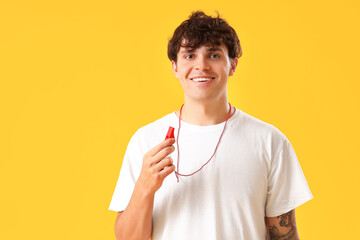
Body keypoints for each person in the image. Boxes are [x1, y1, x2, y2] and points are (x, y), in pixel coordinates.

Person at [109, 11, 313, 240]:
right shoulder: (145, 141)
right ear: (175, 67)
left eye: (214, 55)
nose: (201, 66)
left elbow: (284, 235)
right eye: (189, 56)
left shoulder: (269, 141)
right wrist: (145, 186)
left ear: (233, 65)